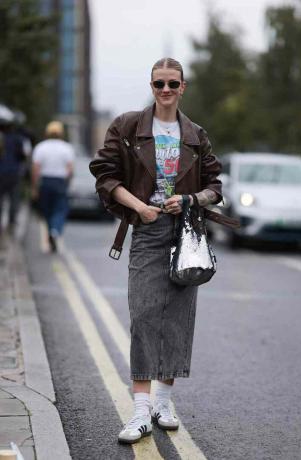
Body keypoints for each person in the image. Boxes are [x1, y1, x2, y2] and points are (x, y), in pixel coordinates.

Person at [89, 58, 223, 444]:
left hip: (185, 232)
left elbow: (215, 185)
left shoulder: (195, 134)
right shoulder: (129, 126)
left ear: (183, 87)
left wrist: (190, 198)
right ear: (151, 86)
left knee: (179, 317)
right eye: (159, 83)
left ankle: (164, 402)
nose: (165, 90)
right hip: (146, 229)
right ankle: (140, 412)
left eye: (172, 84)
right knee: (145, 315)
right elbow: (104, 172)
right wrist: (139, 206)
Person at [32, 121, 75, 252]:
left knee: (47, 211)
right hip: (60, 182)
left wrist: (34, 187)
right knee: (60, 209)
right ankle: (55, 230)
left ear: (47, 133)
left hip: (45, 182)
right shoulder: (67, 148)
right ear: (61, 133)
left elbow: (36, 169)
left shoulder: (40, 147)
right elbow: (70, 169)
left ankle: (51, 231)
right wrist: (67, 182)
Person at [0, 120, 26, 237]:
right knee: (13, 198)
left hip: (1, 172)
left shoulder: (2, 138)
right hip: (13, 172)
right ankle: (11, 222)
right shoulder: (17, 139)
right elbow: (22, 156)